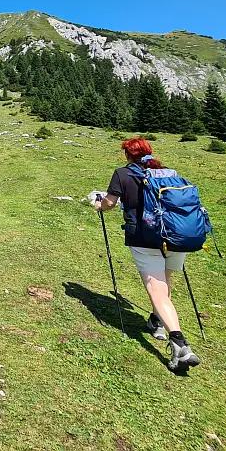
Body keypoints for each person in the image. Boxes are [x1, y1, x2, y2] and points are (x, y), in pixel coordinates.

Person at [93, 137, 201, 373]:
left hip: (146, 238)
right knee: (166, 281)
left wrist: (99, 205)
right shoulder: (166, 173)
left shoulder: (123, 174)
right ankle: (157, 323)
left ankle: (180, 343)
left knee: (156, 289)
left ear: (128, 155)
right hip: (176, 236)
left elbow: (110, 204)